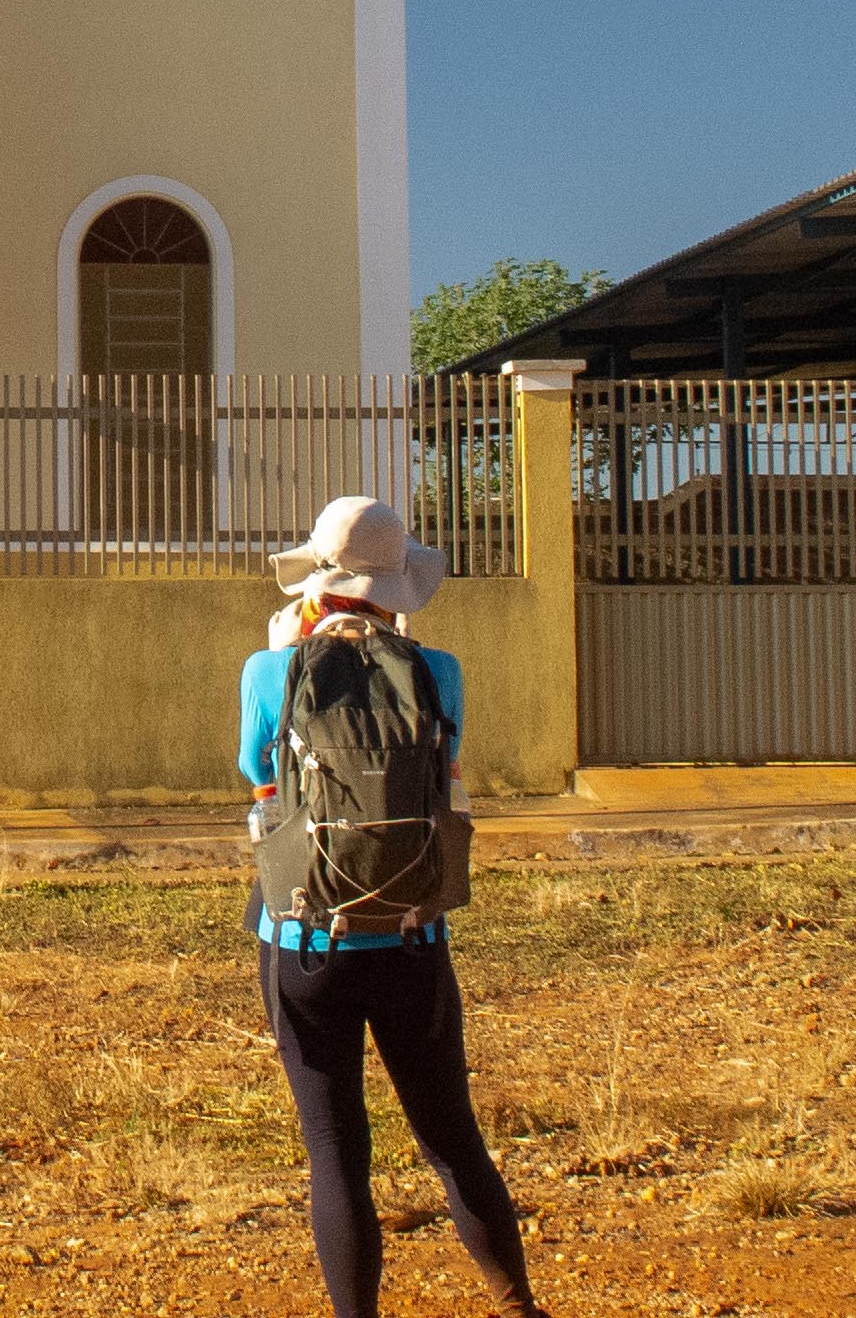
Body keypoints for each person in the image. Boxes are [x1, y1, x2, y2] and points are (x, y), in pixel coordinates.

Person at [240, 495, 542, 1318]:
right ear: (397, 586)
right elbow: (443, 775)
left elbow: (260, 782)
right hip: (412, 935)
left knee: (337, 1151)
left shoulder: (268, 672)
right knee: (452, 1141)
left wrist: (285, 657)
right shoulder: (439, 672)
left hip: (304, 938)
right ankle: (516, 1305)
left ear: (318, 578)